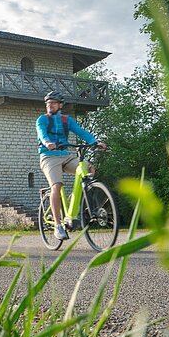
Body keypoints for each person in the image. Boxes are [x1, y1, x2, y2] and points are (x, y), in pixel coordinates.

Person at [36, 91, 106, 240]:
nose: (50, 105)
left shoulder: (66, 120)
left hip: (65, 156)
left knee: (88, 168)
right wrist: (47, 142)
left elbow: (81, 132)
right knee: (57, 186)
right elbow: (42, 133)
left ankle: (82, 201)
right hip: (48, 156)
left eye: (53, 103)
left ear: (60, 105)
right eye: (48, 103)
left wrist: (95, 142)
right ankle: (57, 225)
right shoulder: (42, 119)